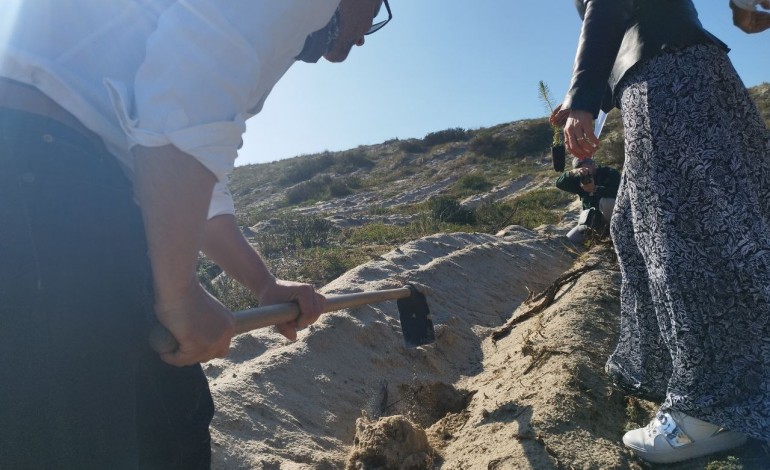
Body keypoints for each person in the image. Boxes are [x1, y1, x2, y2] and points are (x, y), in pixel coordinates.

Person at [0, 0, 392, 468]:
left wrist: (263, 283)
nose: (367, 31)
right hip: (49, 187)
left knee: (168, 426)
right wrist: (178, 295)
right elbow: (184, 105)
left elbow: (183, 169)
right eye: (379, 8)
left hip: (48, 178)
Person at [556, 0, 770, 464]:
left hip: (668, 79)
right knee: (634, 230)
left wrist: (583, 97)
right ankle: (671, 368)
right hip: (681, 72)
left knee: (679, 238)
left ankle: (711, 411)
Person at [555, 156, 620, 243]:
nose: (586, 169)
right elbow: (559, 183)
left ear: (593, 163)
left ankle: (615, 232)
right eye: (581, 168)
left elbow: (618, 193)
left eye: (589, 164)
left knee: (606, 202)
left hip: (613, 216)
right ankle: (598, 235)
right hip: (592, 220)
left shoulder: (609, 173)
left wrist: (595, 189)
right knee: (570, 239)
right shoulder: (580, 179)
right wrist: (572, 173)